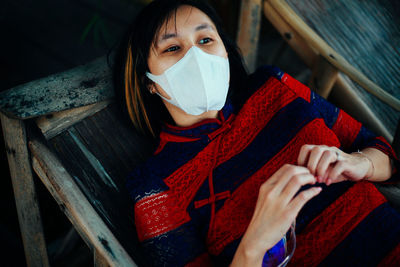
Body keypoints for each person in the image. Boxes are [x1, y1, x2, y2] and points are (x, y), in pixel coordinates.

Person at [113, 0, 400, 266]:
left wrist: (358, 163)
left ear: (224, 51)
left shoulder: (274, 87)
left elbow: (389, 158)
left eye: (205, 40)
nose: (196, 56)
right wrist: (254, 244)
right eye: (172, 48)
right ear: (148, 81)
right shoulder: (154, 187)